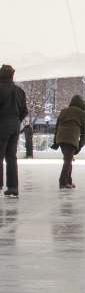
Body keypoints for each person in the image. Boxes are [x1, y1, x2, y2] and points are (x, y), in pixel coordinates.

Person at [0, 65, 28, 198]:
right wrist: (16, 120)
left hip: (2, 125)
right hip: (15, 125)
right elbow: (25, 111)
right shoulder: (19, 91)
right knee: (11, 157)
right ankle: (13, 187)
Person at [52, 96, 85, 189]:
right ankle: (63, 183)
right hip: (71, 139)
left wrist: (55, 141)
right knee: (68, 160)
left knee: (68, 159)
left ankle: (68, 181)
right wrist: (81, 145)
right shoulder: (81, 113)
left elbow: (57, 126)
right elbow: (84, 131)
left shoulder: (64, 111)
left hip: (61, 138)